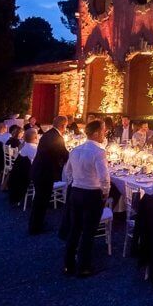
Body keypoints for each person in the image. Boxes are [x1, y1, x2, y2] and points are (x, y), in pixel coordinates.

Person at [61, 120, 110, 277]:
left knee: (75, 228)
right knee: (89, 231)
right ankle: (84, 267)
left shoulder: (76, 150)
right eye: (103, 131)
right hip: (91, 194)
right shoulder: (98, 152)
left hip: (76, 192)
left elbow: (67, 171)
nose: (105, 133)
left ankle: (68, 265)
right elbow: (104, 178)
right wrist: (105, 192)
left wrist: (73, 182)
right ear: (96, 133)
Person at [28, 115, 70, 235]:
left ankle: (35, 224)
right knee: (42, 200)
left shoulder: (48, 134)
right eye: (65, 126)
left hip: (38, 170)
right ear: (63, 125)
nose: (65, 128)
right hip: (44, 172)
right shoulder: (56, 137)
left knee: (39, 200)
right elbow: (64, 155)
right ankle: (36, 227)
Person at [9, 129, 38, 207]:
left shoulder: (24, 146)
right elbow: (38, 163)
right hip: (27, 174)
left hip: (19, 173)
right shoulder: (34, 149)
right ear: (35, 138)